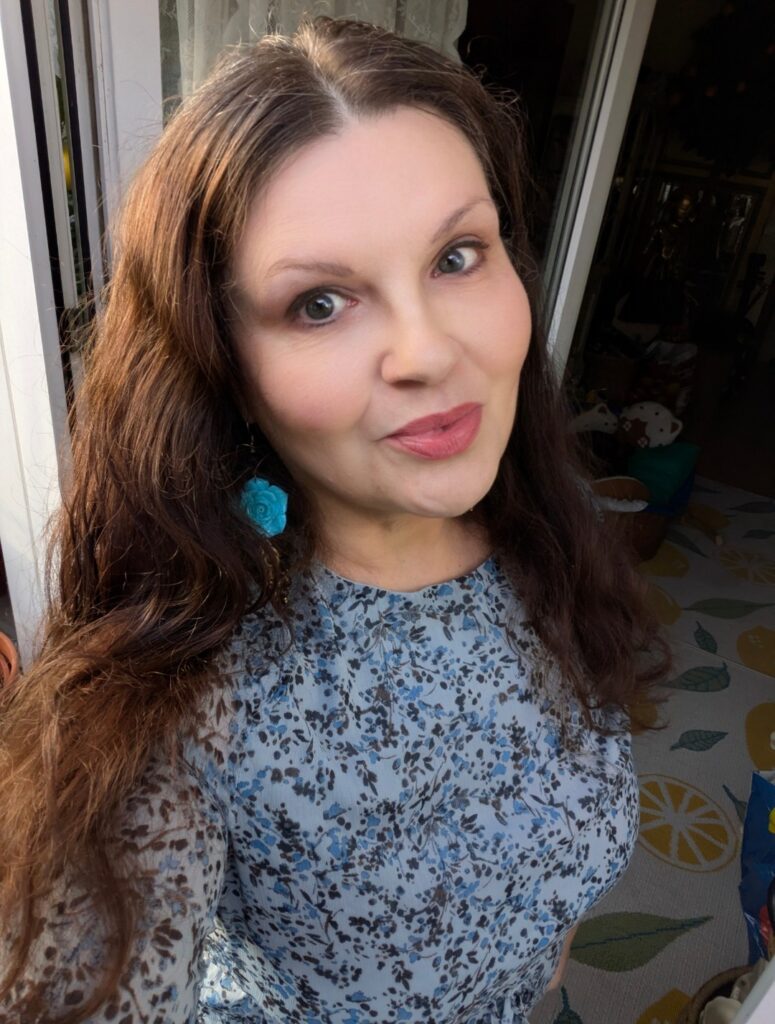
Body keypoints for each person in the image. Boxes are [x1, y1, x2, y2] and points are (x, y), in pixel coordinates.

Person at [0, 16, 670, 1024]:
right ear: (221, 362)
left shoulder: (548, 530)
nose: (426, 350)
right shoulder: (184, 693)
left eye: (456, 256)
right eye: (318, 303)